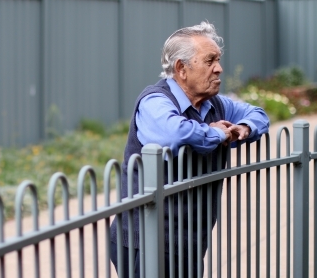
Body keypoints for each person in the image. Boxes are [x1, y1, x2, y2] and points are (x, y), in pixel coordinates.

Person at [109, 22, 270, 277]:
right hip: (148, 239)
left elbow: (258, 114)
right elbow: (175, 133)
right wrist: (218, 133)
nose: (219, 68)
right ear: (181, 69)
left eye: (218, 60)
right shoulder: (155, 100)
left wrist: (244, 128)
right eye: (209, 61)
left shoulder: (214, 103)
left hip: (189, 241)